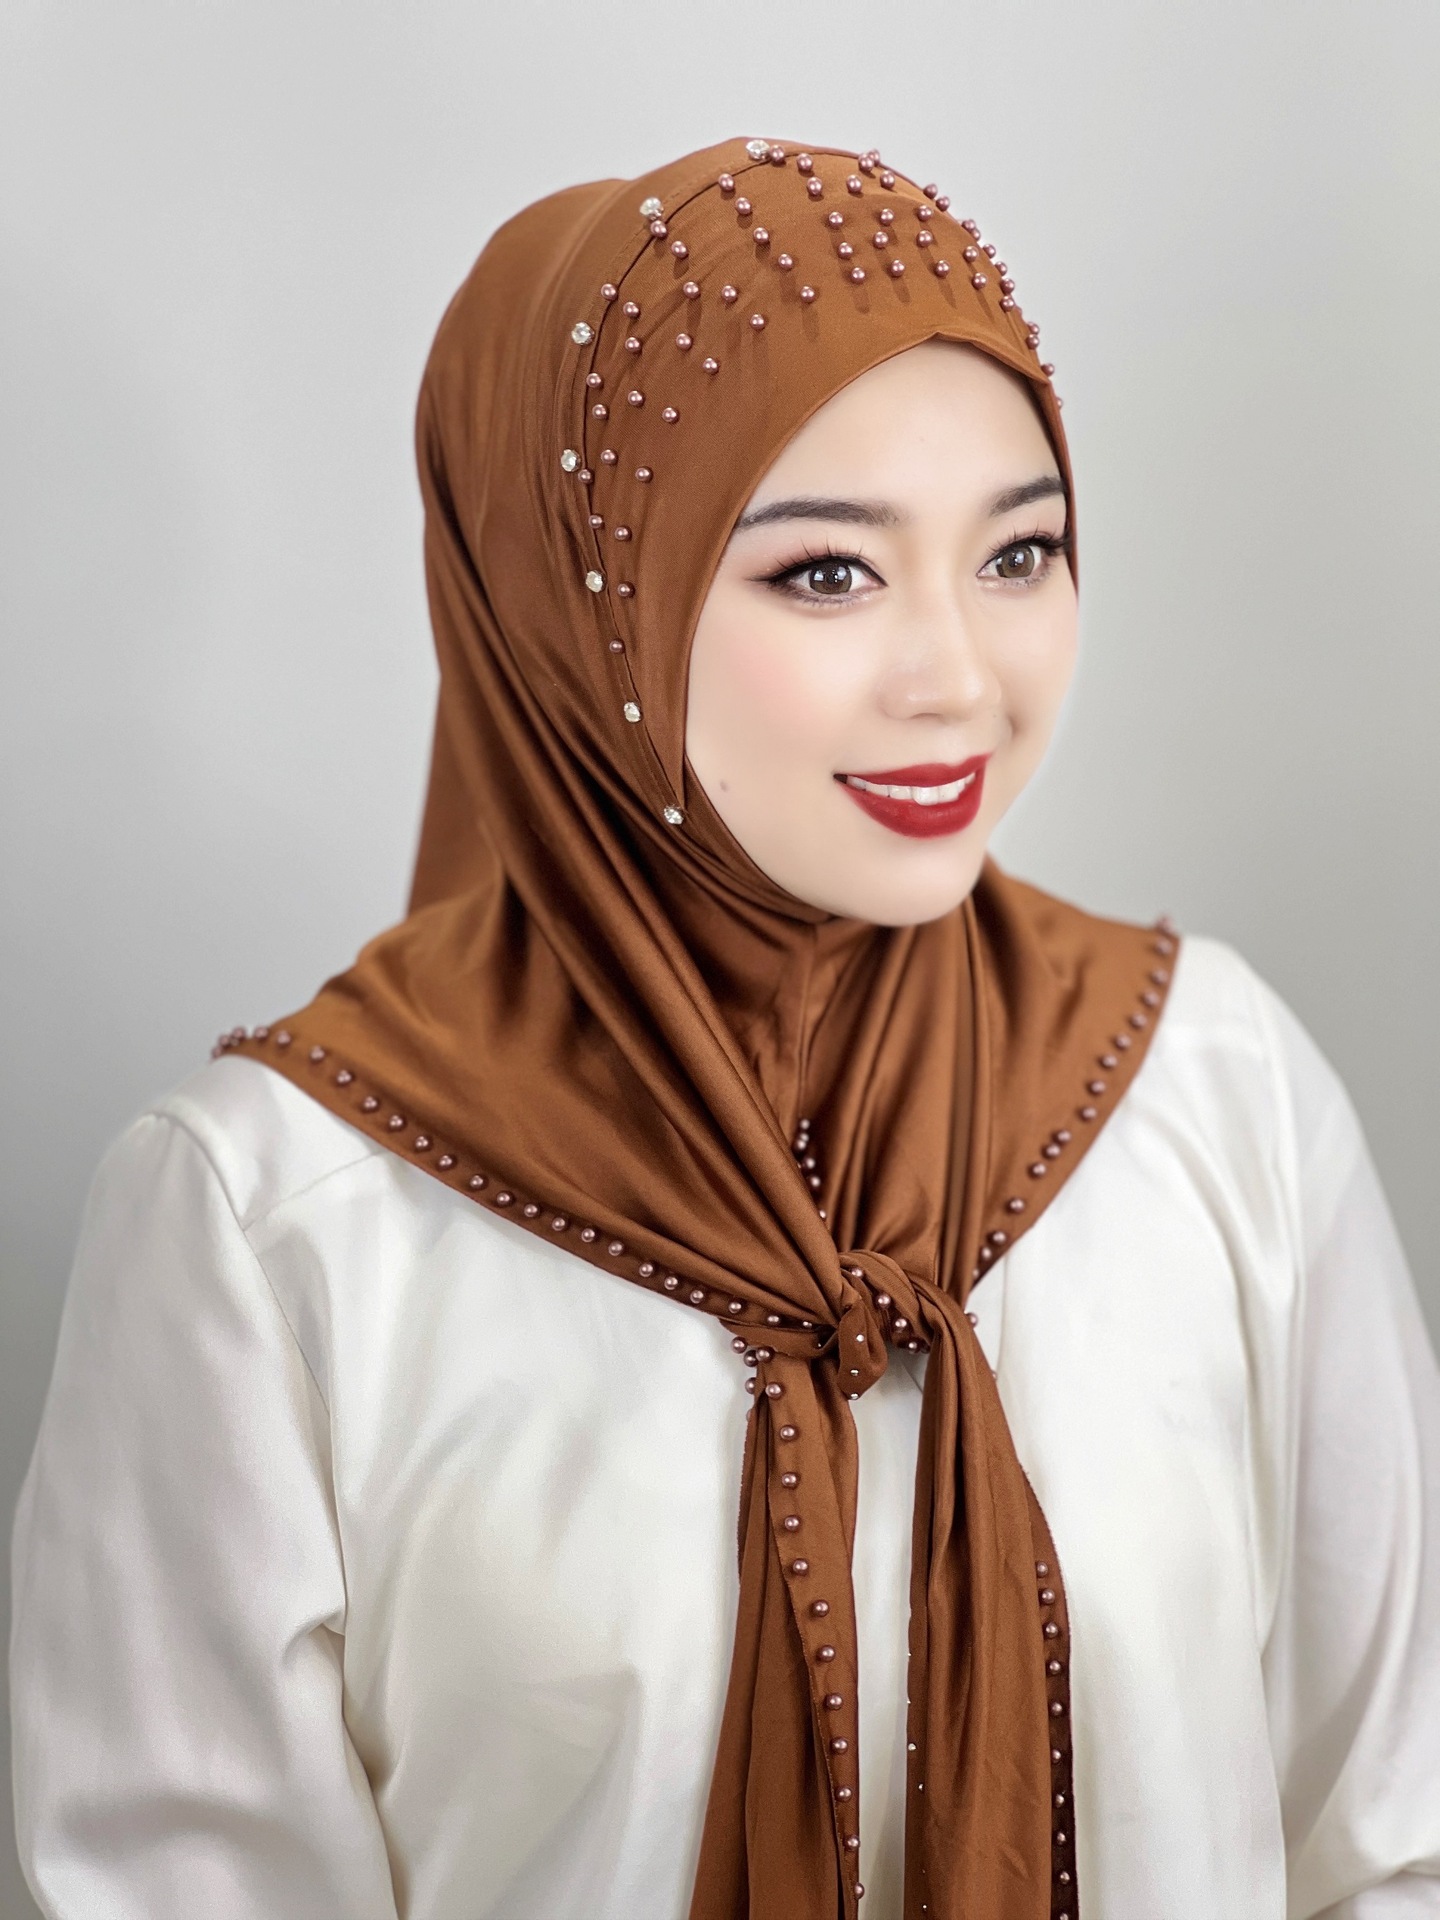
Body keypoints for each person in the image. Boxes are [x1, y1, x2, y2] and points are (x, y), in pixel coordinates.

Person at [11, 136, 1440, 1920]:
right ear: (577, 605)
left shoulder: (1218, 1092)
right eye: (827, 574)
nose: (958, 676)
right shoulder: (267, 1225)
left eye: (1020, 552)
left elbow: (1393, 1838)